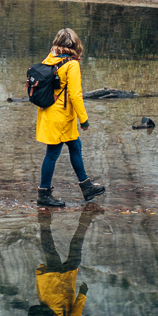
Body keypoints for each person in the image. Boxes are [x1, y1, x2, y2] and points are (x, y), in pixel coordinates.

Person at [35, 28, 105, 208]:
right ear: (75, 44)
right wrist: (84, 119)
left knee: (75, 145)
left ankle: (86, 186)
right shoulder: (72, 64)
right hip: (61, 117)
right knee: (52, 153)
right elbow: (75, 95)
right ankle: (43, 193)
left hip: (49, 113)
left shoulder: (50, 58)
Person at [26, 208, 97, 316]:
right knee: (50, 253)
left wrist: (83, 295)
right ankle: (44, 221)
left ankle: (84, 220)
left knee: (74, 255)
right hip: (48, 292)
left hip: (62, 292)